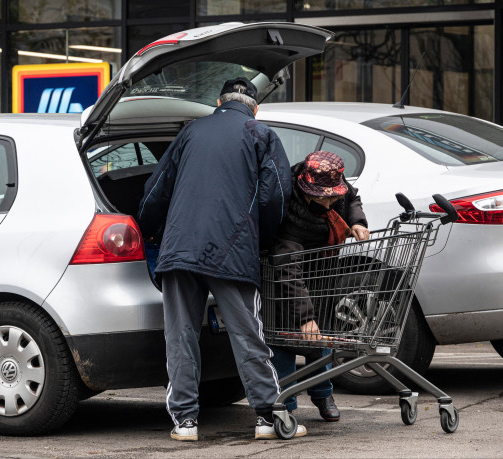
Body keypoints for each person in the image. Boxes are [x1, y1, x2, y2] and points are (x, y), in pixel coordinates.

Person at [137, 77, 300, 441]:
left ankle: (185, 422)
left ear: (217, 101)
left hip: (179, 249)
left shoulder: (191, 131)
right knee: (247, 334)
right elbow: (276, 195)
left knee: (181, 336)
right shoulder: (260, 134)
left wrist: (148, 229)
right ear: (254, 107)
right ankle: (266, 417)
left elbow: (155, 189)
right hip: (232, 249)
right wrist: (263, 239)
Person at [268, 150, 370, 422]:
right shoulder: (287, 207)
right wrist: (304, 317)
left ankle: (323, 393)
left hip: (322, 272)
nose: (330, 203)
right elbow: (288, 271)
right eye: (324, 197)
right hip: (287, 280)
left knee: (321, 335)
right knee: (285, 340)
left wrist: (357, 220)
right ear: (306, 190)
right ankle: (285, 406)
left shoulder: (334, 184)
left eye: (333, 196)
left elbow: (351, 196)